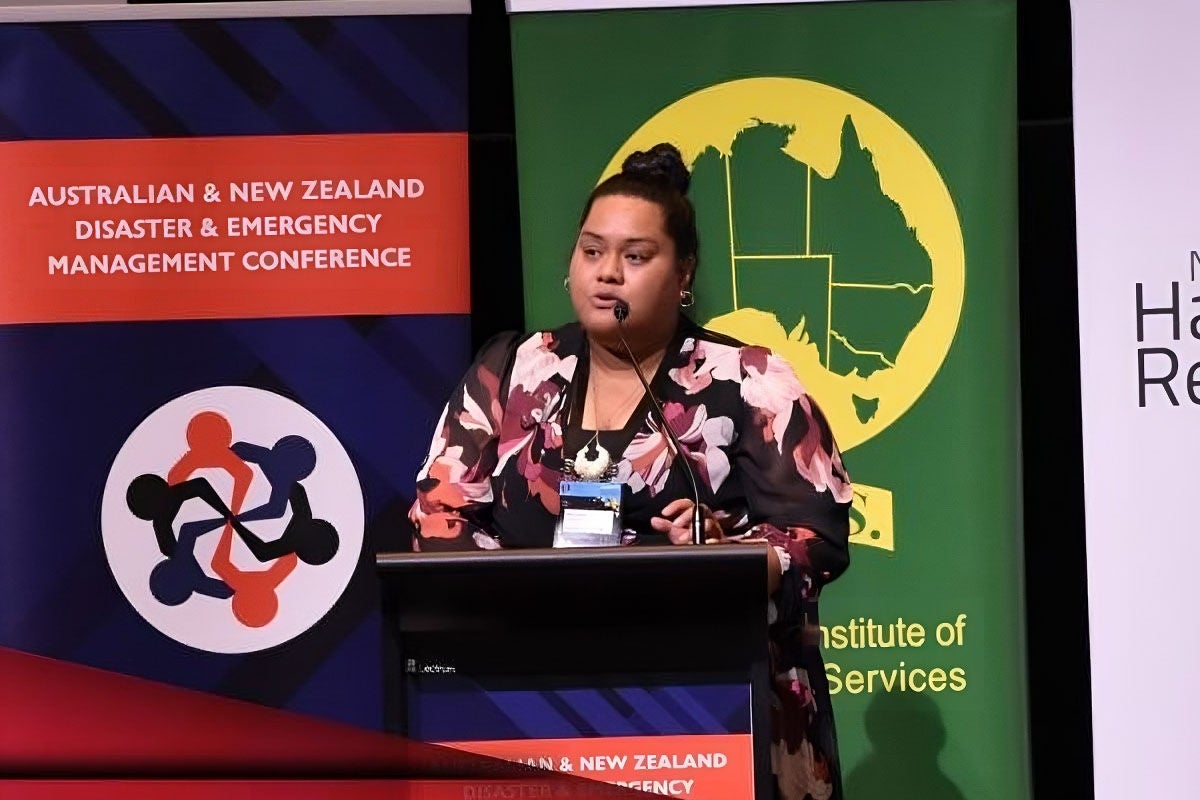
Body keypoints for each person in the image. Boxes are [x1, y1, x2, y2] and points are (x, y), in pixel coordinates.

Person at [409, 142, 852, 800]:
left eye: (635, 257)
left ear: (683, 275)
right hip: (536, 698)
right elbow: (438, 517)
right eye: (591, 252)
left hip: (718, 704)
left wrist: (724, 555)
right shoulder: (513, 371)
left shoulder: (748, 380)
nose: (607, 273)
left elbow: (813, 533)